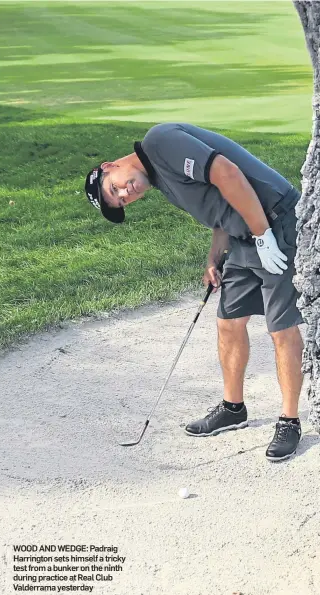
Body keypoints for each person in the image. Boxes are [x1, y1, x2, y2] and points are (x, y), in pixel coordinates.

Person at [85, 122, 304, 461]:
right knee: (229, 322)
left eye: (115, 190)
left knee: (281, 327)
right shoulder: (159, 178)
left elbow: (227, 174)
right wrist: (215, 255)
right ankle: (233, 409)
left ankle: (289, 420)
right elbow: (218, 204)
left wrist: (263, 234)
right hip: (245, 235)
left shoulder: (160, 142)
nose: (126, 195)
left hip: (275, 222)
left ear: (109, 167)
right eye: (121, 201)